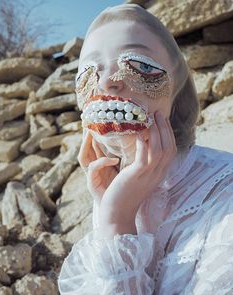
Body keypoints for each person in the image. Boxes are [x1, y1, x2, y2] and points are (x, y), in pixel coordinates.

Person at [58, 4, 233, 295]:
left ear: (177, 89)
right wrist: (113, 214)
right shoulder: (113, 188)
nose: (105, 82)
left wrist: (116, 222)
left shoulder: (224, 193)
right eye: (87, 72)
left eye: (139, 64)